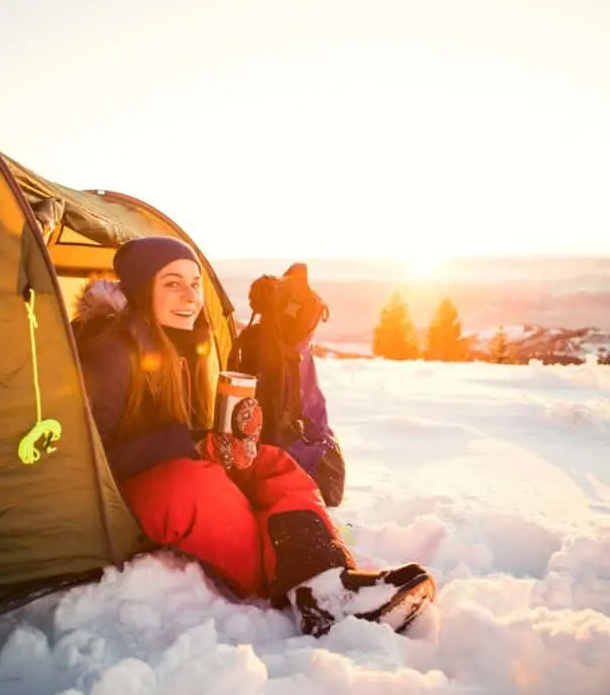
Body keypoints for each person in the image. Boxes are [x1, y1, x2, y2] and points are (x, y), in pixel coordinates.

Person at [73, 235, 436, 637]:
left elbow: (177, 428)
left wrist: (227, 439)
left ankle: (328, 580)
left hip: (166, 463)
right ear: (142, 289)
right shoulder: (109, 352)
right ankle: (300, 591)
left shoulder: (182, 341)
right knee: (198, 485)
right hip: (120, 496)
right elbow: (91, 458)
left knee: (271, 461)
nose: (190, 296)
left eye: (195, 283)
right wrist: (190, 445)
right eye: (172, 283)